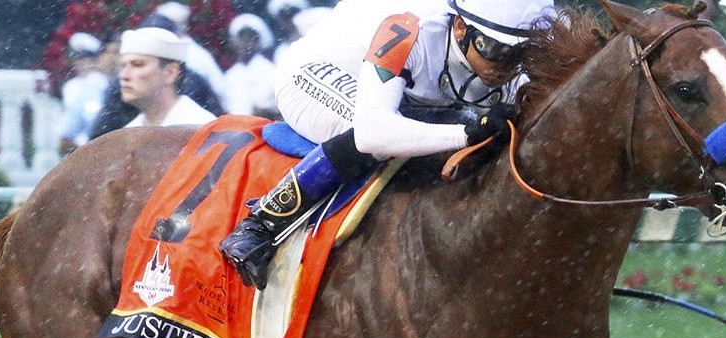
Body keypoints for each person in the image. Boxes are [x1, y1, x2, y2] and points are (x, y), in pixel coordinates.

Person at [219, 0, 554, 289]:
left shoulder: (500, 52)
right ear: (462, 29)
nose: (504, 68)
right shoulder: (409, 31)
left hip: (408, 94)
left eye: (518, 54)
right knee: (383, 142)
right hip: (316, 73)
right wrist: (463, 135)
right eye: (494, 51)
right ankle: (260, 225)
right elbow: (372, 131)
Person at [117, 27, 216, 127]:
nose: (124, 75)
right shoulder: (130, 131)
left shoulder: (198, 125)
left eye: (138, 64)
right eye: (123, 66)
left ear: (170, 73)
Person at [57, 31, 109, 155]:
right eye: (77, 59)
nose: (80, 63)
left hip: (94, 145)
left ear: (94, 60)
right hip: (76, 146)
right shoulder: (70, 86)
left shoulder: (99, 82)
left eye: (85, 59)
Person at [222, 13, 278, 119]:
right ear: (233, 42)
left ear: (259, 42)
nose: (245, 43)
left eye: (250, 38)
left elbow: (265, 108)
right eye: (241, 38)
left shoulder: (270, 71)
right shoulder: (230, 75)